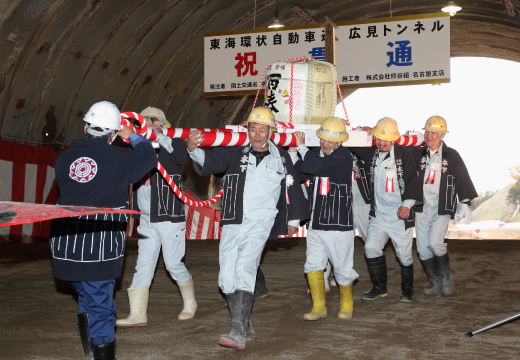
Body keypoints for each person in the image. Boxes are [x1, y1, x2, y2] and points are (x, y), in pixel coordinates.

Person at [186, 107, 309, 350]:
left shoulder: (281, 157)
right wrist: (192, 149)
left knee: (245, 266)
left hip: (260, 222)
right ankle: (247, 326)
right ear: (247, 130)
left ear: (270, 131)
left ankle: (237, 331)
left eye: (262, 129)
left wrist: (294, 220)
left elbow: (293, 186)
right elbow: (209, 161)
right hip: (233, 220)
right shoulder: (235, 153)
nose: (257, 134)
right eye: (253, 128)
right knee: (225, 277)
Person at [49, 101, 157, 359]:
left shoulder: (62, 159)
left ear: (85, 127)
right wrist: (133, 137)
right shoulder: (121, 157)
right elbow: (149, 157)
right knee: (101, 306)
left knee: (86, 293)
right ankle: (102, 354)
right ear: (112, 133)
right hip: (100, 243)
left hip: (66, 244)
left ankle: (90, 352)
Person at [116, 107, 197, 328]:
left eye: (152, 121)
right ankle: (137, 313)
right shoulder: (139, 148)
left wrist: (159, 135)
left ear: (162, 123)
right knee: (143, 263)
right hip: (146, 216)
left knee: (172, 263)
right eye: (145, 121)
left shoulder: (174, 142)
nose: (148, 124)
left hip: (169, 215)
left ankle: (190, 302)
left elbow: (181, 157)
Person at [289, 117, 359, 320]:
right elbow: (300, 173)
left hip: (338, 223)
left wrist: (301, 147)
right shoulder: (314, 155)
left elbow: (318, 167)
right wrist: (294, 151)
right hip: (316, 222)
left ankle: (347, 304)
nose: (325, 143)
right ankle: (319, 307)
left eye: (330, 140)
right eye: (323, 139)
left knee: (342, 266)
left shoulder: (344, 156)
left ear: (340, 142)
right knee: (312, 264)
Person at [351, 117, 422, 302]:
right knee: (371, 248)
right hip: (378, 213)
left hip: (399, 214)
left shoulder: (404, 154)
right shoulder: (372, 152)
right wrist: (360, 130)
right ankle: (379, 288)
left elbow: (412, 181)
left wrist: (407, 205)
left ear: (393, 139)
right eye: (378, 138)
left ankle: (407, 290)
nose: (381, 142)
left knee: (404, 254)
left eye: (385, 139)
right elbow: (351, 143)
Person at [410, 116, 477, 296]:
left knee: (435, 243)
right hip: (421, 207)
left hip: (441, 206)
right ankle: (436, 283)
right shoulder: (418, 153)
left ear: (442, 135)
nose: (428, 135)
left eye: (432, 132)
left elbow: (462, 177)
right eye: (426, 131)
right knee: (423, 249)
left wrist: (465, 203)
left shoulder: (452, 155)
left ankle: (447, 281)